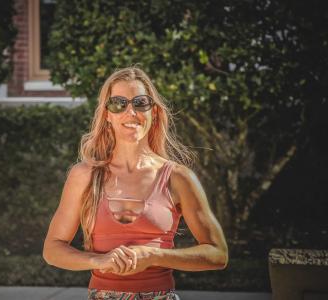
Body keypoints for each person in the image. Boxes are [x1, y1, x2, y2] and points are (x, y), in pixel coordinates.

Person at [43, 67, 228, 300]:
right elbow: (52, 249)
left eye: (140, 103)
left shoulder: (178, 177)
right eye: (118, 103)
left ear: (154, 112)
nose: (130, 112)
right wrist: (99, 260)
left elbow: (218, 254)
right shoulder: (85, 175)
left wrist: (153, 256)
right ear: (107, 115)